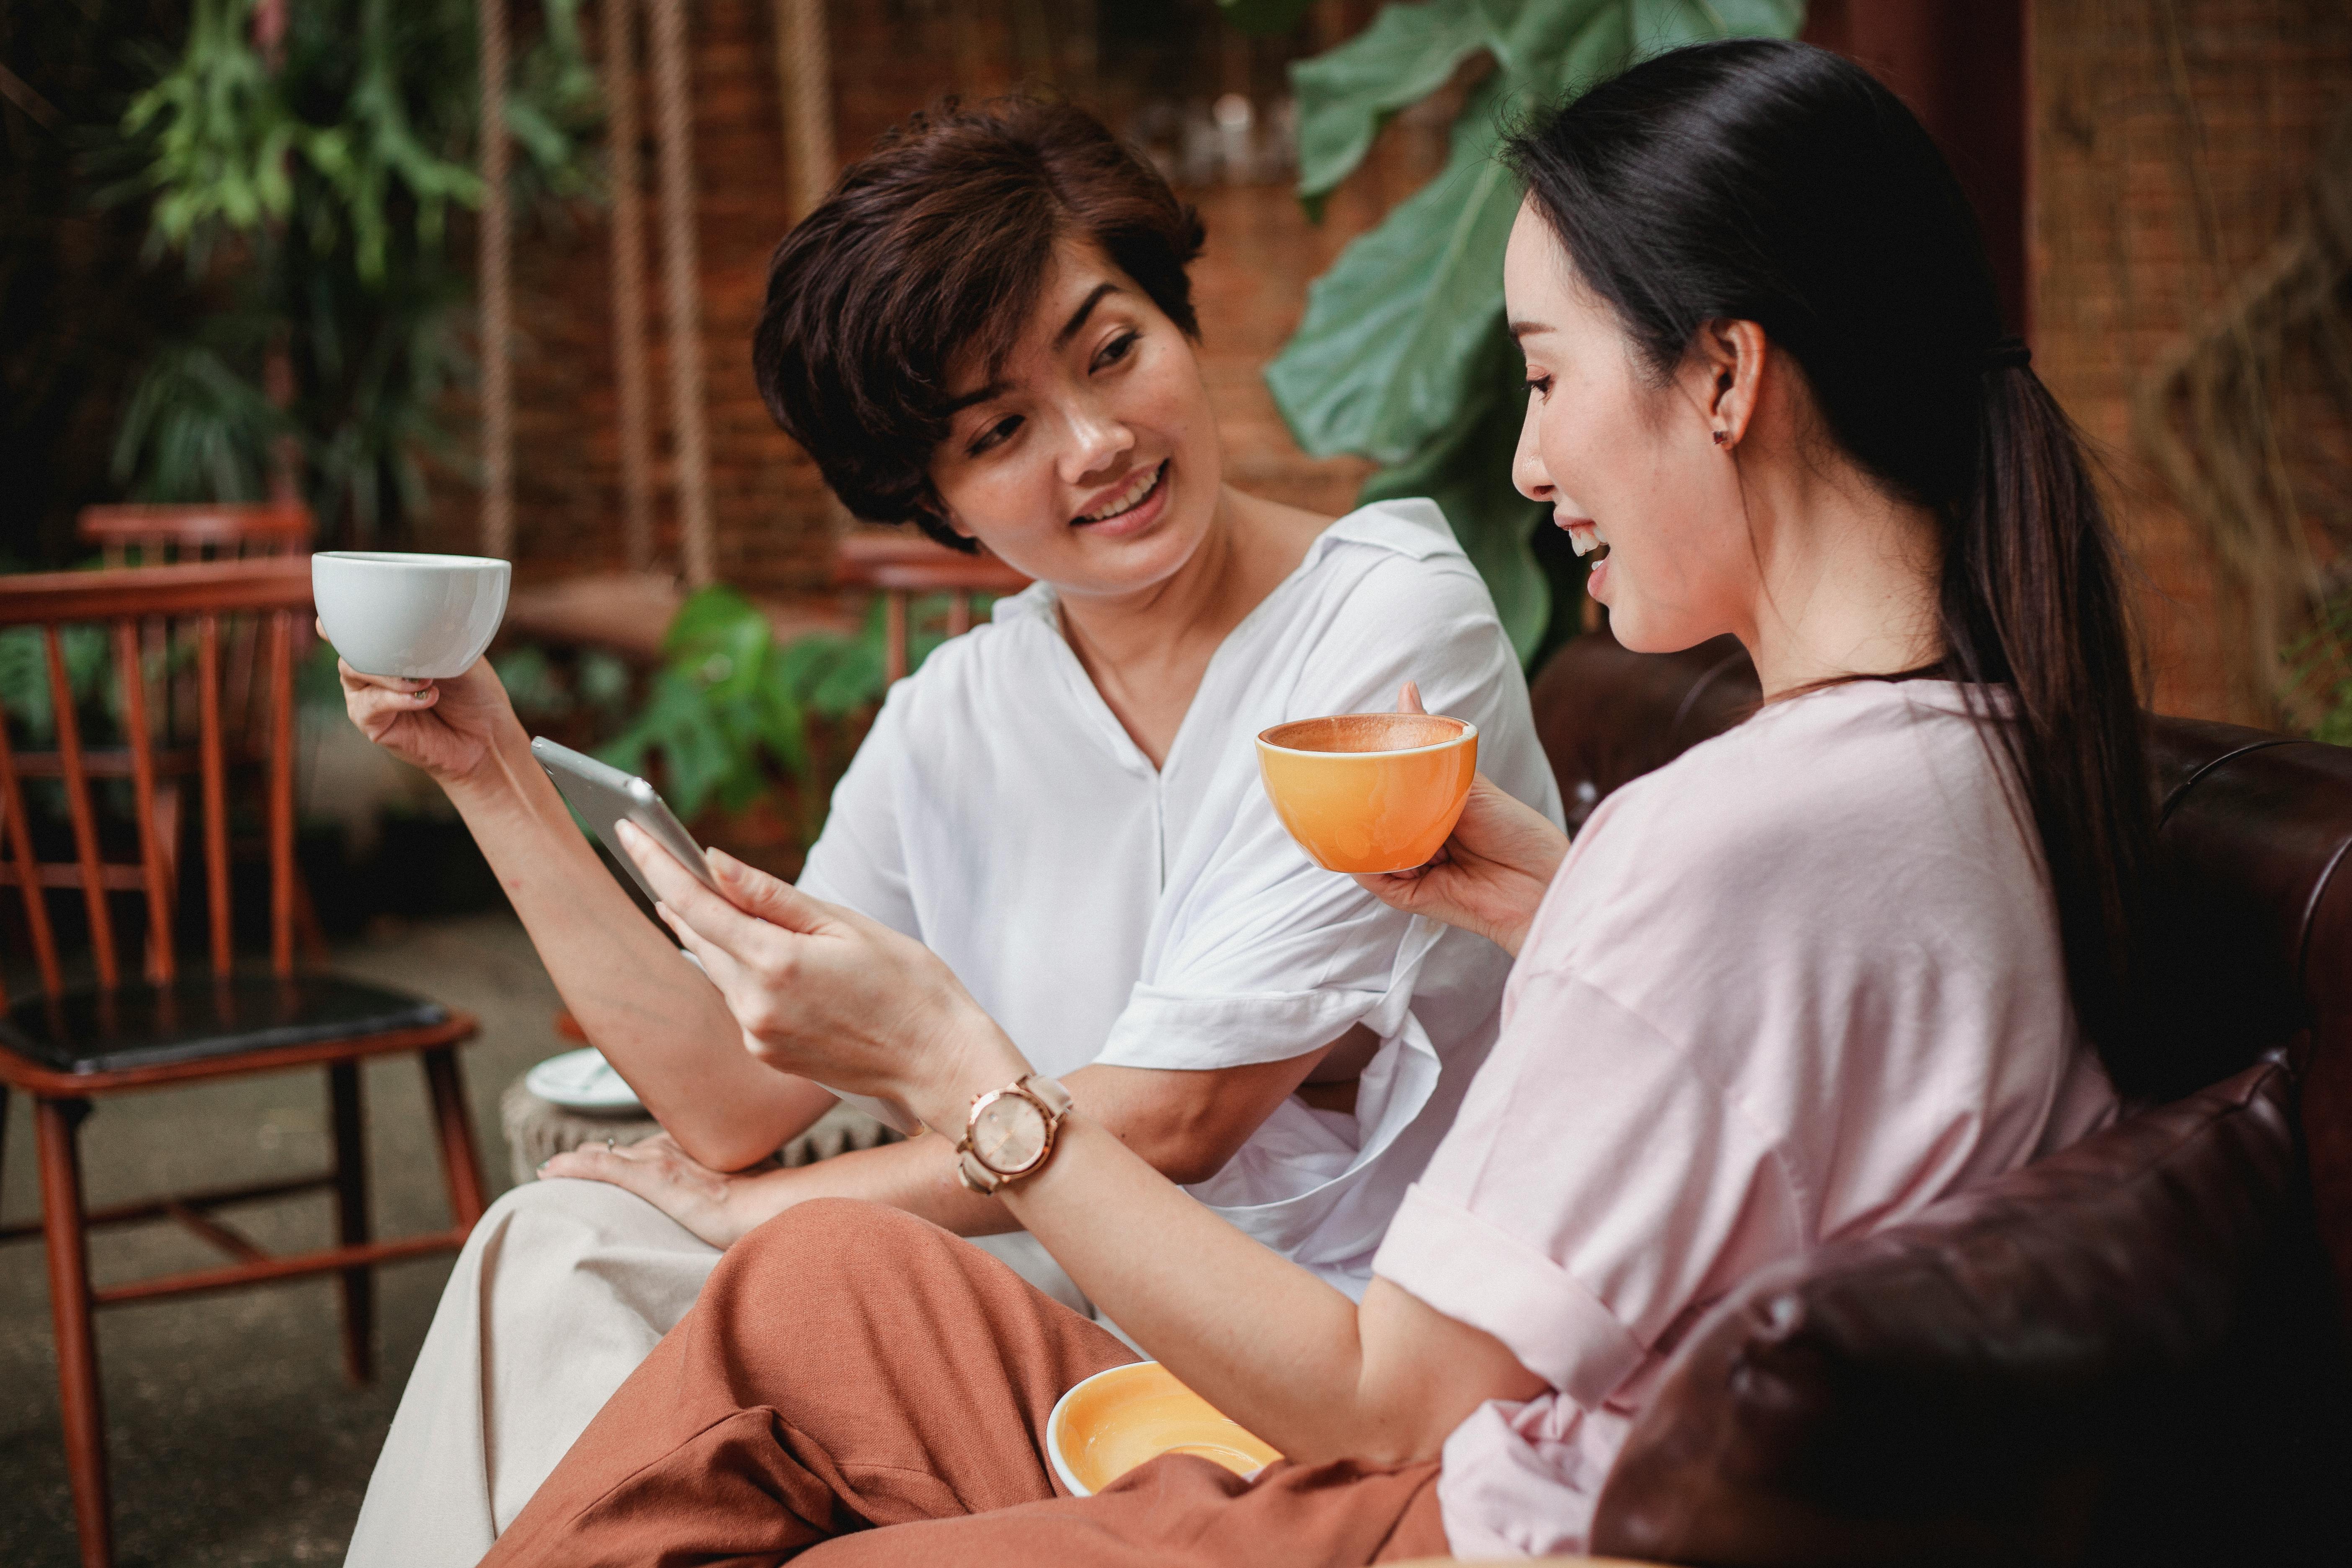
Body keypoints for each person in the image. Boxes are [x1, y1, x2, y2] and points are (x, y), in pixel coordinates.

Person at [474, 37, 2156, 1566]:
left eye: (1547, 378)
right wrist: (1571, 919)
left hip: (1465, 1504)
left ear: (1721, 378)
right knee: (796, 1290)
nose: (1525, 464)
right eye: (997, 431)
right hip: (1459, 1443)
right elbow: (1794, 1062)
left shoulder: (1712, 814)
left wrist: (952, 1065)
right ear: (941, 498)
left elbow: (1383, 1397)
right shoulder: (1966, 749)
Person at [338, 100, 1559, 1564]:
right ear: (937, 504)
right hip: (1084, 1347)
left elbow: (1182, 1114)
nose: (1098, 444)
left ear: (1175, 319)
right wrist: (488, 772)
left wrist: (754, 1213)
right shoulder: (961, 712)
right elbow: (733, 1097)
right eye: (1000, 431)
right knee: (557, 1245)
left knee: (718, 1254)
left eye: (1112, 352)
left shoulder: (1389, 628)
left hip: (1328, 1397)